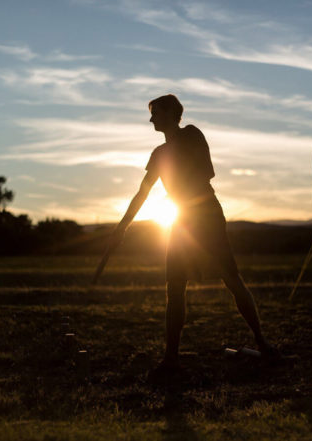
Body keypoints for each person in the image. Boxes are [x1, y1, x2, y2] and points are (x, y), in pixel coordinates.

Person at [109, 94, 277, 375]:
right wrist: (122, 226)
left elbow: (204, 174)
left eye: (155, 113)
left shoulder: (192, 135)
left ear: (171, 114)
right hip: (181, 221)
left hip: (206, 216)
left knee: (231, 279)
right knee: (174, 287)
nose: (151, 119)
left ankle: (263, 343)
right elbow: (142, 193)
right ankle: (171, 359)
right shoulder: (158, 154)